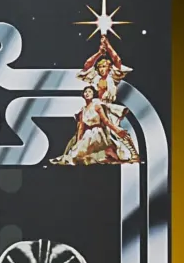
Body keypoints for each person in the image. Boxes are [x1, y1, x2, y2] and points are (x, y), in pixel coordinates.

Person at [52, 35, 140, 165]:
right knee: (95, 132)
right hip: (96, 106)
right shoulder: (95, 78)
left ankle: (134, 154)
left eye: (105, 66)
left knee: (115, 130)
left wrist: (108, 46)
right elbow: (87, 65)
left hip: (107, 107)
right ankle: (107, 154)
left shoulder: (112, 77)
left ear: (109, 68)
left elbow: (117, 59)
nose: (103, 69)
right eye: (101, 67)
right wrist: (99, 53)